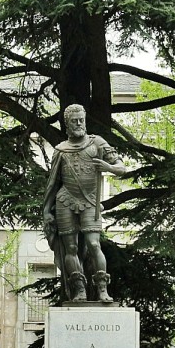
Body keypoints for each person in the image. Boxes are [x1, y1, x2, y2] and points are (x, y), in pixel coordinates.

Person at [42, 103, 125, 303]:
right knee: (70, 247)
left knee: (94, 243)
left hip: (90, 202)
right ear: (67, 124)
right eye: (74, 121)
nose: (79, 124)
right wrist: (46, 211)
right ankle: (79, 289)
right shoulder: (60, 150)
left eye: (81, 120)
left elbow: (122, 168)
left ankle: (102, 288)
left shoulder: (98, 143)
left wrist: (108, 167)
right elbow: (53, 183)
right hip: (65, 201)